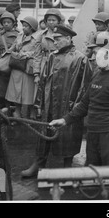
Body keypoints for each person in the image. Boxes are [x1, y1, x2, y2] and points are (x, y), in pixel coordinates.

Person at [49, 35, 109, 167]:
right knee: (92, 174)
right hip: (93, 133)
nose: (94, 57)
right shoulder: (98, 73)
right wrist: (65, 120)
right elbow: (85, 103)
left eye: (96, 52)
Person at [21, 25, 93, 177]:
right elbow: (43, 80)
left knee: (69, 136)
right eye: (54, 39)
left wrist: (76, 109)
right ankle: (39, 163)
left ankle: (67, 166)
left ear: (68, 39)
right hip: (49, 104)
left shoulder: (80, 58)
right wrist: (38, 103)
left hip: (68, 105)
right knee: (44, 133)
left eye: (58, 39)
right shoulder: (52, 57)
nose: (55, 42)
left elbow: (84, 88)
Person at [5, 17, 39, 119]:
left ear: (32, 28)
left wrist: (25, 54)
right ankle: (18, 112)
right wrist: (10, 52)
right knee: (16, 92)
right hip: (17, 67)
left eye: (26, 26)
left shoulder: (37, 38)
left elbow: (38, 52)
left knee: (29, 93)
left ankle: (32, 112)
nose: (23, 28)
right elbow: (13, 47)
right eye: (23, 26)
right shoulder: (19, 35)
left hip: (28, 67)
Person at [0, 12, 19, 109]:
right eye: (4, 22)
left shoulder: (19, 35)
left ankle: (13, 116)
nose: (6, 24)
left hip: (14, 66)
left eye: (8, 22)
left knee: (13, 93)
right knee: (0, 93)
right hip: (1, 67)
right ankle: (0, 116)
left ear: (13, 23)